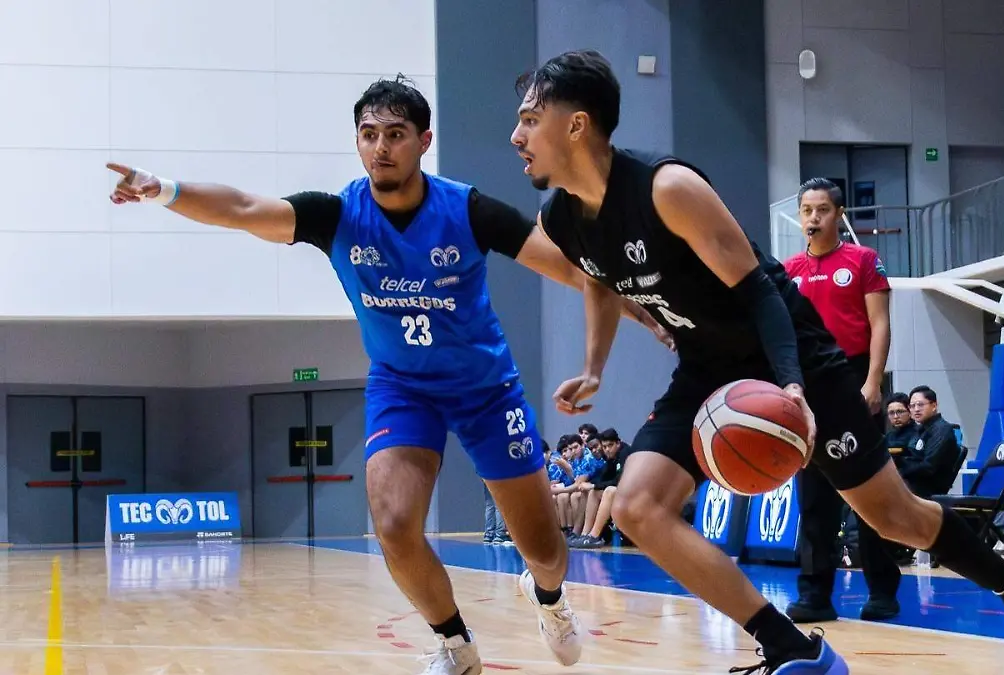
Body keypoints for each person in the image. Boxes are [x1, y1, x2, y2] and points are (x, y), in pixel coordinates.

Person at [511, 48, 1004, 675]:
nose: (517, 137)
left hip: (791, 355)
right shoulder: (562, 216)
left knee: (894, 518)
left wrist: (790, 383)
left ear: (577, 125)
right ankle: (790, 647)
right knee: (635, 506)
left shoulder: (666, 188)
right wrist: (595, 365)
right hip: (707, 369)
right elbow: (600, 277)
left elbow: (760, 288)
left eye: (530, 120)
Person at [106, 74, 671, 675]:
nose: (381, 147)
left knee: (543, 549)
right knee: (395, 524)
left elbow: (572, 267)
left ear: (424, 140)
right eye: (369, 134)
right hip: (403, 388)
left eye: (395, 134)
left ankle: (550, 598)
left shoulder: (468, 209)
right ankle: (455, 643)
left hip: (485, 389)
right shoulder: (336, 215)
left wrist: (646, 310)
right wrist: (162, 189)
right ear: (357, 143)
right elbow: (243, 209)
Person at [781, 180, 898, 622]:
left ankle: (882, 590)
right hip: (807, 386)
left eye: (823, 210)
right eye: (807, 210)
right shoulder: (788, 269)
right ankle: (815, 595)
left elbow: (880, 325)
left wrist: (872, 383)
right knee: (814, 496)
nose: (813, 218)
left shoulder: (863, 260)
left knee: (870, 491)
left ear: (839, 214)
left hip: (852, 376)